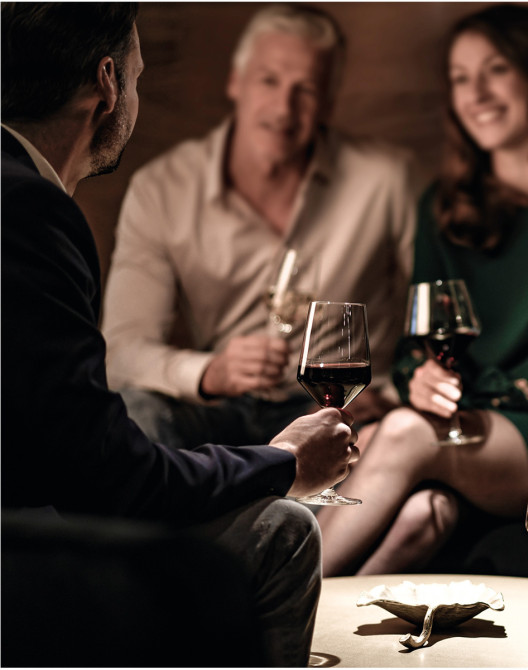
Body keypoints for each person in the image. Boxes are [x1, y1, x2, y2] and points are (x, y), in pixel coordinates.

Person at [0, 4, 359, 665]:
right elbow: (110, 476)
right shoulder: (28, 210)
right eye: (138, 77)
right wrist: (282, 462)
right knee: (282, 530)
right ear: (108, 83)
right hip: (20, 549)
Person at [314, 3, 528, 577]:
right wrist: (421, 380)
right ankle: (312, 629)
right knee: (423, 513)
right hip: (474, 435)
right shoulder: (445, 208)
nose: (477, 93)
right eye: (461, 78)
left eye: (496, 69)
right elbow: (415, 349)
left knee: (400, 432)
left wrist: (458, 397)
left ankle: (264, 601)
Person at [100, 4, 415, 450]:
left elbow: (433, 315)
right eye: (269, 80)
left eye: (306, 89)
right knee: (134, 415)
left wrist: (391, 394)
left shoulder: (387, 180)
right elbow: (120, 352)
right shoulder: (162, 188)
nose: (284, 108)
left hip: (338, 411)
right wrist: (210, 373)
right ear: (236, 82)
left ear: (328, 102)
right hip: (219, 410)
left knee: (387, 441)